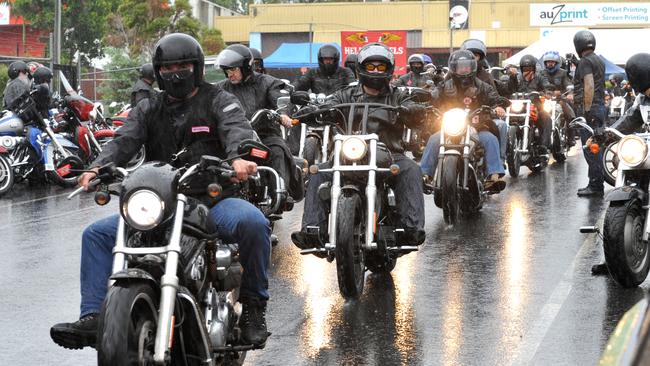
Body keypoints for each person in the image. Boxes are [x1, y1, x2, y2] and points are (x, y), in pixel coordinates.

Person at [49, 33, 272, 350]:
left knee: (253, 224)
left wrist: (239, 157)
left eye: (182, 65)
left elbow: (236, 128)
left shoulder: (219, 99)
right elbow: (123, 140)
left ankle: (253, 309)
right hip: (161, 203)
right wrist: (97, 167)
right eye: (167, 68)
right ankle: (95, 317)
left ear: (195, 67)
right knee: (96, 235)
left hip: (212, 199)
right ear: (158, 71)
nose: (175, 73)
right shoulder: (148, 107)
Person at [291, 42, 427, 250]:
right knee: (318, 172)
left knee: (411, 170)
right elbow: (329, 103)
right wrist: (317, 110)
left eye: (380, 67)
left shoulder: (397, 95)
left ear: (388, 69)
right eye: (370, 66)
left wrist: (412, 110)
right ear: (361, 68)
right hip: (348, 152)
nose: (374, 71)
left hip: (389, 153)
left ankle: (410, 228)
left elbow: (414, 110)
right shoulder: (346, 94)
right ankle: (312, 230)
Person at [215, 44, 303, 203]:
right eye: (227, 71)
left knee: (277, 150)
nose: (230, 75)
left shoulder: (267, 82)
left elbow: (280, 98)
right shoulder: (221, 88)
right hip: (234, 138)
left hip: (264, 135)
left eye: (233, 70)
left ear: (246, 67)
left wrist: (282, 114)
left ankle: (280, 192)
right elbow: (210, 103)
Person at [591, 53, 650, 275]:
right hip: (647, 151)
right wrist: (605, 134)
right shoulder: (642, 100)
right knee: (631, 187)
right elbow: (629, 120)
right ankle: (617, 257)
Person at [419, 50, 507, 192]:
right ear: (454, 68)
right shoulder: (445, 85)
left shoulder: (482, 85)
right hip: (450, 127)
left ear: (472, 67)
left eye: (466, 66)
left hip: (477, 126)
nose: (463, 69)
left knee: (490, 139)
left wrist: (498, 106)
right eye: (460, 66)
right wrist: (424, 104)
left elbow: (494, 98)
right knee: (434, 139)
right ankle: (424, 175)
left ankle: (494, 176)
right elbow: (433, 97)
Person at [460, 38, 514, 161]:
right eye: (469, 55)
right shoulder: (452, 75)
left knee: (500, 126)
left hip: (480, 118)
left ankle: (499, 161)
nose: (472, 58)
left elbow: (493, 95)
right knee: (435, 138)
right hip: (457, 119)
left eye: (475, 56)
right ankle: (427, 173)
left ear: (480, 58)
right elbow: (440, 92)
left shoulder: (486, 77)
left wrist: (496, 106)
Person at [573, 30, 606, 197]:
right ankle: (596, 183)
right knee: (596, 146)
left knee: (590, 148)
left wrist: (586, 111)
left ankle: (595, 186)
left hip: (591, 108)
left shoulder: (585, 61)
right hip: (599, 107)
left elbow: (589, 85)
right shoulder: (598, 60)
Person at [513, 54, 553, 152]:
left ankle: (543, 146)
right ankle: (509, 144)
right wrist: (511, 79)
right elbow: (510, 88)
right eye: (525, 68)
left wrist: (547, 91)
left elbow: (546, 85)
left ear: (534, 68)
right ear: (521, 69)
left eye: (530, 68)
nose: (527, 70)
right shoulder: (518, 78)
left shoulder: (540, 77)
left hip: (536, 107)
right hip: (521, 107)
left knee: (546, 118)